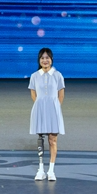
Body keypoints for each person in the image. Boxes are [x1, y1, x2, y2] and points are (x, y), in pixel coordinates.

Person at [29, 47, 65, 181]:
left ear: (51, 59)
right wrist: (41, 106)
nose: (45, 60)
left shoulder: (57, 75)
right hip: (40, 110)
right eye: (42, 58)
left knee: (53, 140)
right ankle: (41, 170)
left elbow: (61, 95)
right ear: (39, 60)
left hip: (54, 111)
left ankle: (51, 170)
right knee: (40, 139)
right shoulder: (34, 76)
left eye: (47, 58)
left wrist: (54, 108)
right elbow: (33, 94)